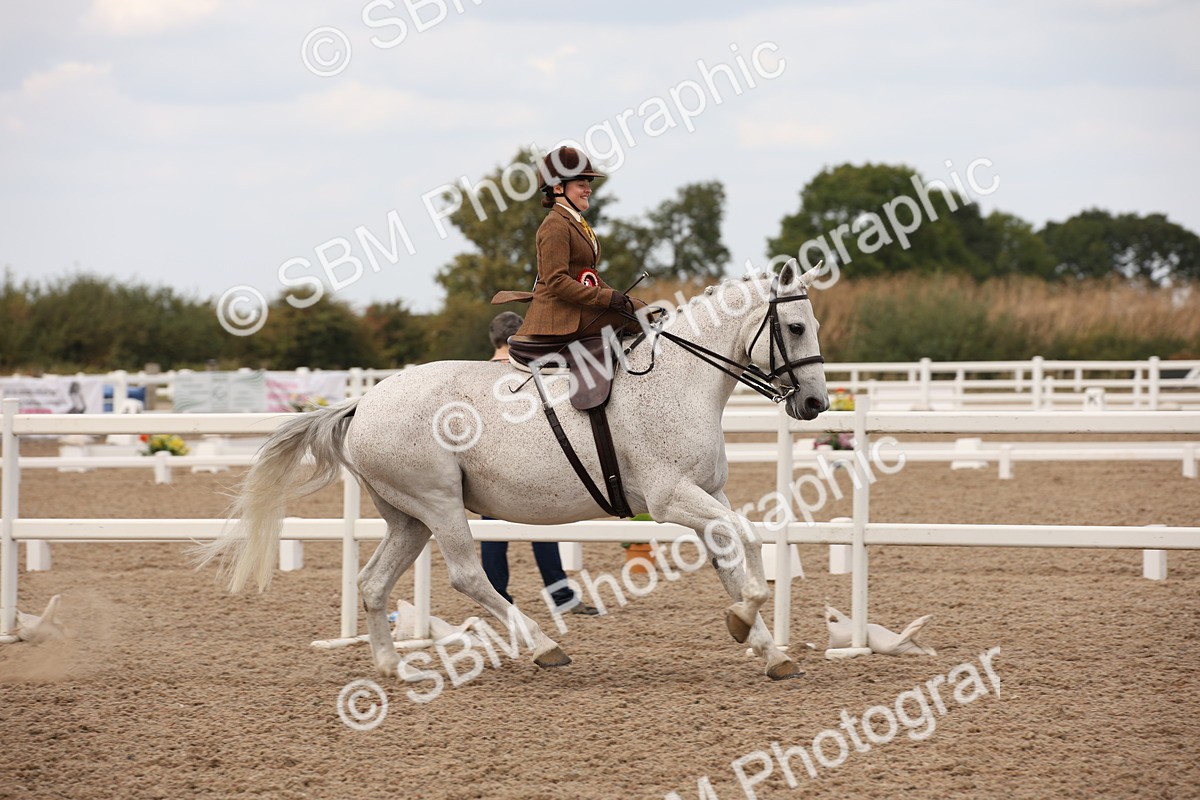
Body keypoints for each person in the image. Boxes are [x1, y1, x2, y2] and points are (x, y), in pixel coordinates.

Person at [479, 311, 599, 615]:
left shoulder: (477, 376)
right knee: (544, 531)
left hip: (490, 470)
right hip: (533, 465)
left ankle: (499, 600)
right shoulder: (534, 373)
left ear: (492, 337)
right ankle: (560, 596)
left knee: (493, 537)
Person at [491, 146, 645, 340]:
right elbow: (557, 281)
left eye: (588, 184)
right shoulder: (554, 225)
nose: (588, 190)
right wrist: (605, 298)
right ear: (557, 188)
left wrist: (616, 296)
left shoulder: (576, 222)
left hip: (576, 308)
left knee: (643, 309)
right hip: (560, 315)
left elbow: (587, 275)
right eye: (581, 184)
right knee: (638, 315)